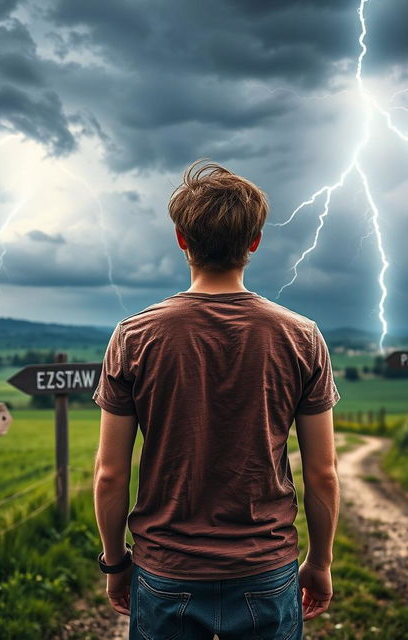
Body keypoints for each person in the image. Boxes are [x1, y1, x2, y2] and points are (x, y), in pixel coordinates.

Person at [92, 160, 341, 639]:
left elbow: (110, 473)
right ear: (255, 242)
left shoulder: (133, 337)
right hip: (266, 572)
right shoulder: (302, 337)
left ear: (181, 240)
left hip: (166, 572)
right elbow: (323, 472)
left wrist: (116, 563)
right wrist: (320, 561)